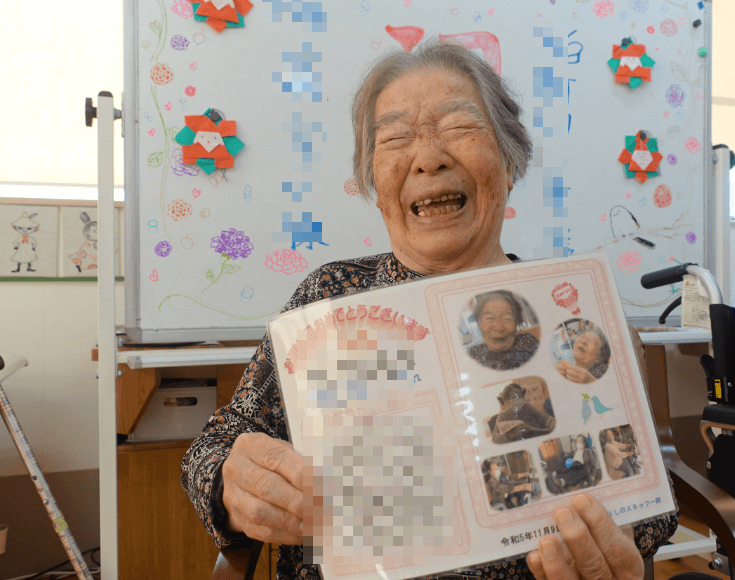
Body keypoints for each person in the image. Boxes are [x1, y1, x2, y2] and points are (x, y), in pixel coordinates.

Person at [181, 39, 678, 580]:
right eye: (396, 139)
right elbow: (216, 445)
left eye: (460, 129)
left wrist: (617, 536)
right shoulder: (329, 297)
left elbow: (655, 507)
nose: (429, 158)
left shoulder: (577, 312)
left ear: (510, 163)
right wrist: (235, 480)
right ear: (375, 181)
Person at [467, 291, 539, 370]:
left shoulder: (529, 342)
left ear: (516, 323)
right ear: (479, 324)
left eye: (507, 319)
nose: (499, 328)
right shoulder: (473, 354)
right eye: (490, 319)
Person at [491, 383, 556, 443]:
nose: (518, 399)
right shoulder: (503, 416)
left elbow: (541, 415)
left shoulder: (527, 407)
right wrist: (510, 435)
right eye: (514, 397)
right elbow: (495, 438)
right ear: (507, 401)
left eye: (520, 396)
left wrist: (551, 421)